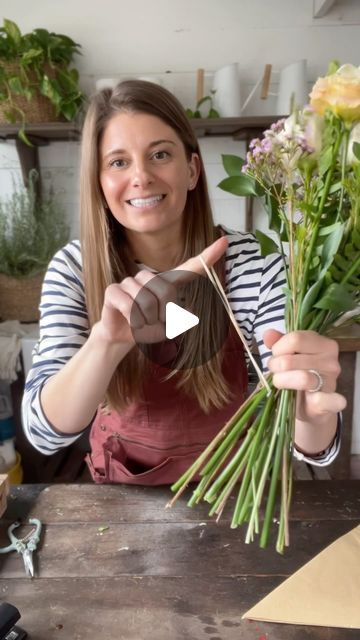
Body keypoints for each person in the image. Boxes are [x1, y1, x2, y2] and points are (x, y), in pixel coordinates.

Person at [22, 80, 345, 484]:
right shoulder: (74, 268)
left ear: (191, 170)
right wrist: (107, 342)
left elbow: (310, 444)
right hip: (122, 502)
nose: (140, 176)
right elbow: (43, 432)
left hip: (235, 492)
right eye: (118, 162)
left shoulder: (254, 262)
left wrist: (311, 414)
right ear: (99, 184)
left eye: (159, 154)